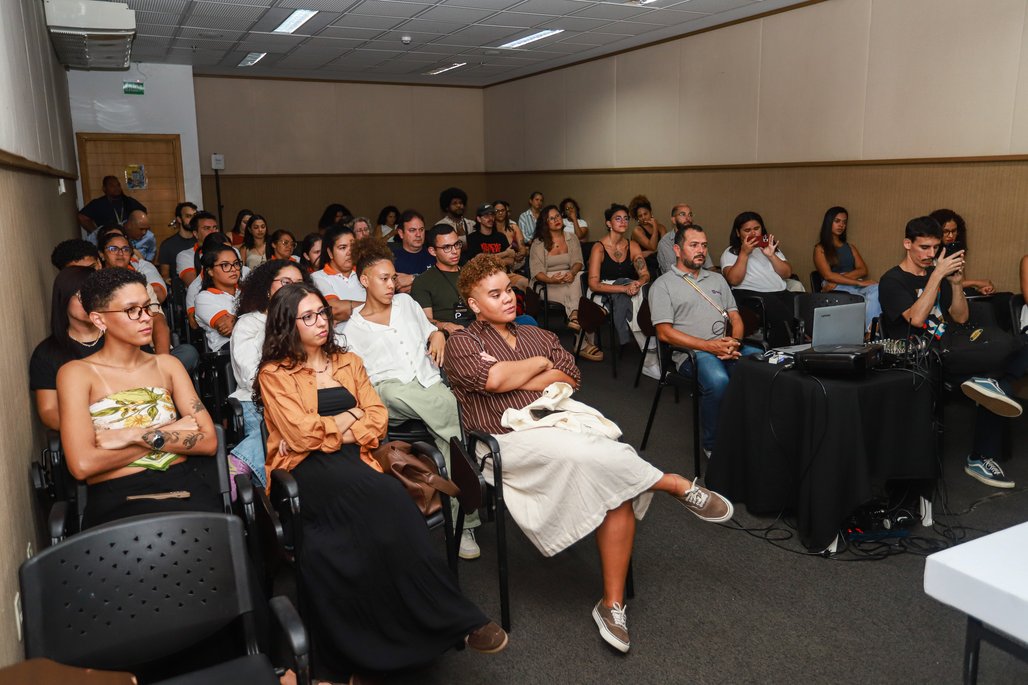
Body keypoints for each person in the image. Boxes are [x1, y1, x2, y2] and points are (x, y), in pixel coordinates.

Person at [443, 254, 733, 654]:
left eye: (508, 289)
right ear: (475, 304)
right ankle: (672, 483)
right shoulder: (462, 342)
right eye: (495, 295)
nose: (507, 298)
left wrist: (521, 372)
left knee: (610, 470)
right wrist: (539, 366)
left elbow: (570, 374)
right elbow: (490, 380)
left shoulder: (536, 334)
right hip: (504, 439)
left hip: (557, 421)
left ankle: (612, 605)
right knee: (600, 457)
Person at [257, 282, 507, 682]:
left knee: (390, 507)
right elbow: (301, 439)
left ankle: (450, 620)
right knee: (371, 510)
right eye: (308, 316)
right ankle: (391, 642)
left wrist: (335, 426)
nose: (321, 321)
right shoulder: (275, 374)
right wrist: (350, 417)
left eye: (322, 312)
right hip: (303, 470)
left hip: (358, 460)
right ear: (288, 325)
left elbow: (377, 420)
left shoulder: (348, 362)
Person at [345, 238, 482, 559]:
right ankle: (472, 481)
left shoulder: (406, 304)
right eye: (383, 279)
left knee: (447, 434)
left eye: (393, 278)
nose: (391, 285)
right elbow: (361, 380)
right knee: (438, 405)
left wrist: (438, 334)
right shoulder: (353, 329)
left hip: (426, 380)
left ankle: (463, 521)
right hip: (390, 392)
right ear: (364, 280)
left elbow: (429, 329)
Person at [56, 267, 220, 529]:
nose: (146, 318)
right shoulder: (76, 374)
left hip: (183, 485)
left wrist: (129, 436)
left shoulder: (167, 365)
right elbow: (82, 464)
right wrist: (165, 433)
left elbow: (209, 441)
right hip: (116, 496)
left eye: (147, 307)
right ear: (99, 319)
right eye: (132, 310)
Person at [879, 216, 1028, 489]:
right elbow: (916, 318)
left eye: (935, 248)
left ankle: (980, 452)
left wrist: (956, 284)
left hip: (951, 345)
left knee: (1015, 356)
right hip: (922, 356)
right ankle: (982, 449)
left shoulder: (938, 276)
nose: (930, 254)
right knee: (1001, 372)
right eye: (924, 247)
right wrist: (937, 276)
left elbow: (960, 317)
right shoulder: (892, 280)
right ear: (907, 244)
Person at [649, 225, 763, 456]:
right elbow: (664, 333)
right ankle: (713, 445)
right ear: (677, 250)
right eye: (694, 245)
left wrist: (734, 343)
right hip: (691, 353)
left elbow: (735, 318)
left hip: (724, 346)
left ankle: (753, 434)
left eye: (704, 245)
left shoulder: (717, 279)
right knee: (718, 380)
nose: (701, 250)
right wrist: (709, 346)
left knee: (764, 367)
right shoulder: (663, 285)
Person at [227, 260, 310, 488]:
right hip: (259, 400)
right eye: (286, 282)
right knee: (278, 435)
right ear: (267, 288)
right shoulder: (249, 323)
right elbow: (250, 376)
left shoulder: (308, 319)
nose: (294, 288)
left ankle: (243, 460)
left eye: (300, 283)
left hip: (302, 398)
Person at [31, 267, 105, 430]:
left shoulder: (121, 337)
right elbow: (49, 411)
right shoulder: (47, 353)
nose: (91, 302)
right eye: (82, 295)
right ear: (64, 297)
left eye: (96, 294)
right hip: (84, 435)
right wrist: (93, 429)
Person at [720, 211, 797, 347]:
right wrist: (744, 253)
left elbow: (787, 274)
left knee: (803, 304)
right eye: (747, 230)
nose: (753, 233)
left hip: (780, 292)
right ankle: (782, 349)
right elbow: (733, 280)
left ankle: (805, 343)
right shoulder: (731, 252)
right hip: (749, 295)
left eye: (756, 228)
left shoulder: (771, 248)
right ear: (738, 233)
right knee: (780, 312)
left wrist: (771, 255)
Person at [587, 203, 650, 353]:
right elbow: (593, 284)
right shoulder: (599, 248)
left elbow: (645, 274)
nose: (623, 222)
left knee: (642, 295)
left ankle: (648, 345)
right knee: (635, 300)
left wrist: (637, 283)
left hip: (629, 287)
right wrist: (623, 289)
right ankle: (648, 347)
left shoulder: (632, 246)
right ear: (608, 223)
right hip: (603, 292)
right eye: (618, 218)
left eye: (626, 218)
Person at [813, 206, 881, 331]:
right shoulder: (820, 248)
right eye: (837, 221)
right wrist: (858, 282)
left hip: (844, 282)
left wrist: (840, 279)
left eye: (844, 222)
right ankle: (867, 333)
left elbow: (863, 269)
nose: (841, 225)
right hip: (836, 287)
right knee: (861, 300)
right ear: (829, 222)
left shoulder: (850, 247)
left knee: (877, 288)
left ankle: (871, 332)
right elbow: (828, 275)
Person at [529, 204, 585, 334]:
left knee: (579, 275)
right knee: (580, 300)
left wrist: (572, 273)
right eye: (551, 218)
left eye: (558, 216)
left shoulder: (572, 238)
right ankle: (575, 316)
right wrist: (551, 280)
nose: (556, 220)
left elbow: (578, 262)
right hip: (546, 284)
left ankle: (575, 317)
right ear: (545, 223)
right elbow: (537, 272)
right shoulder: (538, 243)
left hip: (569, 279)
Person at [311, 223, 365, 333]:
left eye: (353, 246)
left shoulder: (366, 273)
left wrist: (348, 311)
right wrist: (377, 308)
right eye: (343, 248)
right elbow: (335, 309)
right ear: (330, 253)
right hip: (342, 339)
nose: (350, 252)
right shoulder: (318, 277)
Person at [929, 209, 995, 295]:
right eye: (945, 231)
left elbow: (960, 282)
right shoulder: (928, 253)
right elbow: (937, 283)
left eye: (954, 231)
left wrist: (980, 290)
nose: (951, 236)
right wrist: (976, 283)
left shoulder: (956, 251)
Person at [194, 245, 242, 352]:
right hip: (228, 350)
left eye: (236, 263)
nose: (233, 269)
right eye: (225, 265)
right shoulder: (204, 298)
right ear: (210, 271)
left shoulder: (247, 291)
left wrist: (237, 320)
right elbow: (229, 328)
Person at [77, 175, 146, 240]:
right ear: (104, 188)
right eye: (112, 185)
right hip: (107, 238)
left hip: (129, 238)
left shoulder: (128, 201)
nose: (116, 188)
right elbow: (82, 217)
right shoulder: (98, 203)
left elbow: (143, 213)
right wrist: (96, 233)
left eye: (118, 185)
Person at [656, 204, 715, 275]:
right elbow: (672, 273)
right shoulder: (666, 242)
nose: (688, 218)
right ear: (673, 220)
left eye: (690, 215)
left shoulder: (698, 238)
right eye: (682, 214)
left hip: (701, 278)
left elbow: (710, 267)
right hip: (677, 280)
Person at [392, 210, 435, 292]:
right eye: (412, 230)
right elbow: (399, 288)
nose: (418, 234)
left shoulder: (434, 254)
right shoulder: (391, 259)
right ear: (401, 233)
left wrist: (413, 278)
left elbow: (440, 281)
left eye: (421, 229)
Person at [176, 211, 221, 286]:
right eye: (207, 228)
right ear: (196, 234)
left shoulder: (230, 251)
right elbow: (194, 285)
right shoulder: (185, 256)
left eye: (215, 227)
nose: (213, 232)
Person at [157, 201, 197, 285]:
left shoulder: (201, 241)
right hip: (179, 288)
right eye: (188, 216)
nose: (193, 219)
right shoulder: (167, 245)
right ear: (179, 219)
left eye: (194, 216)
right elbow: (165, 276)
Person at [494, 199, 528, 273]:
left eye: (502, 210)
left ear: (506, 212)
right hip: (495, 264)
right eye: (497, 211)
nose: (500, 213)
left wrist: (520, 254)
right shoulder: (489, 229)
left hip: (514, 263)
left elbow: (522, 247)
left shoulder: (514, 227)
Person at [628, 195, 665, 260]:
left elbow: (665, 248)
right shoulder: (637, 231)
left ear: (650, 212)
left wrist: (650, 252)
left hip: (660, 262)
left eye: (645, 214)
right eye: (640, 216)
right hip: (643, 263)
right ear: (637, 218)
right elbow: (652, 246)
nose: (643, 217)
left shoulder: (661, 228)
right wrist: (655, 227)